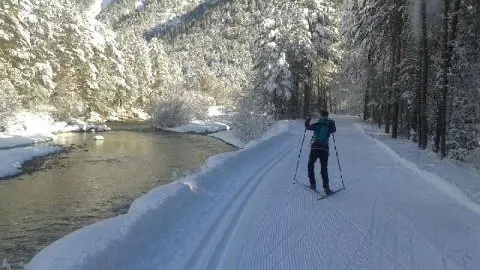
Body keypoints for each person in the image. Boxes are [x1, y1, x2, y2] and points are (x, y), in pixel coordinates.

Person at [305, 110, 336, 194]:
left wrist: (308, 119)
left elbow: (307, 127)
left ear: (320, 116)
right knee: (324, 169)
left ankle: (313, 184)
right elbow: (334, 130)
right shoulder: (329, 124)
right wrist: (332, 122)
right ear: (327, 116)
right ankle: (326, 188)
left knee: (310, 165)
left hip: (315, 148)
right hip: (324, 149)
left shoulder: (317, 124)